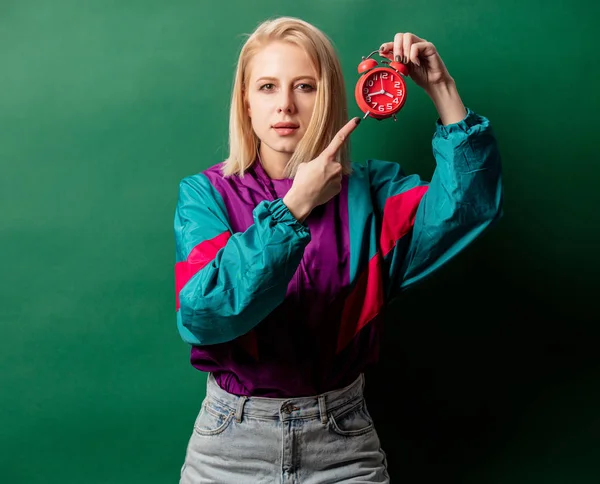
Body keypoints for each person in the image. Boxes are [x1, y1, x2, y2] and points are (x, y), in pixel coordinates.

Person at [174, 15, 502, 483]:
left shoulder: (372, 192)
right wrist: (296, 205)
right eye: (267, 87)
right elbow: (206, 314)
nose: (285, 104)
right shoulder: (206, 196)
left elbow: (469, 208)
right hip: (231, 444)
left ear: (327, 96)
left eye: (305, 86)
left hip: (342, 443)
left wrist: (442, 89)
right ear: (245, 102)